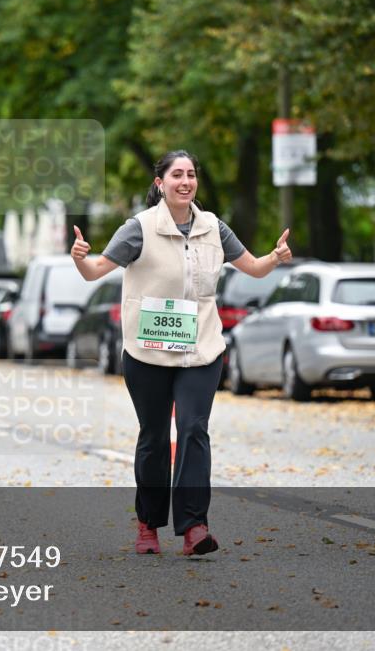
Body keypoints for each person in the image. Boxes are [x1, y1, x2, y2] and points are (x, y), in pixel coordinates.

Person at [71, 150, 292, 556]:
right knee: (154, 438)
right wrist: (81, 260)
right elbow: (97, 270)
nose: (185, 181)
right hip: (147, 351)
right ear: (160, 183)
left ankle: (194, 527)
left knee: (193, 430)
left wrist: (275, 258)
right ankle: (148, 525)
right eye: (177, 175)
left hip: (200, 350)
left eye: (191, 174)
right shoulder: (138, 228)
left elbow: (254, 268)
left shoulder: (213, 228)